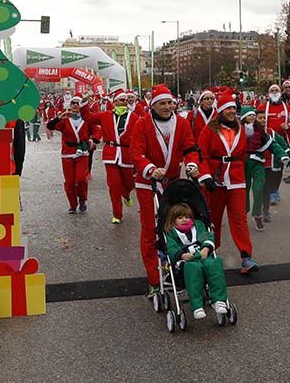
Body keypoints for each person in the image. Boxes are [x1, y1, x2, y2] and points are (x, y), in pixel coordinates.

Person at [129, 84, 203, 296]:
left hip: (172, 183)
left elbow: (190, 148)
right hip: (148, 184)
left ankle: (176, 268)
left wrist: (191, 163)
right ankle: (154, 280)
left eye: (170, 102)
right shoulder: (142, 124)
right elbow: (136, 152)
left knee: (175, 226)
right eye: (162, 103)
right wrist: (150, 169)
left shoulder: (181, 123)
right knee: (151, 230)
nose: (167, 106)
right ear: (153, 105)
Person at [197, 92, 259, 274]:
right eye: (228, 108)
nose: (232, 111)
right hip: (216, 180)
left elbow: (241, 155)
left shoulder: (240, 128)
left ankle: (246, 256)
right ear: (221, 110)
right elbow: (202, 155)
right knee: (213, 218)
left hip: (236, 180)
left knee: (239, 218)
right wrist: (205, 176)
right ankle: (210, 252)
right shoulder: (209, 130)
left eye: (234, 108)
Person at [163, 202, 229, 319]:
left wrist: (206, 248)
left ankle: (219, 300)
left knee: (215, 263)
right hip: (186, 262)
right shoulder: (171, 232)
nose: (184, 220)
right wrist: (182, 255)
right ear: (173, 220)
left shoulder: (198, 225)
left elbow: (207, 236)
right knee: (193, 268)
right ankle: (197, 306)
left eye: (187, 217)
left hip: (203, 256)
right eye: (180, 217)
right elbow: (171, 248)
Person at [46, 96, 99, 214]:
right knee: (69, 182)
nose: (75, 105)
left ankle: (82, 199)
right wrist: (58, 118)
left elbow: (96, 131)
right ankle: (72, 204)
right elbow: (50, 126)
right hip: (67, 153)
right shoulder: (65, 119)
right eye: (73, 103)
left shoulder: (87, 118)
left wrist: (93, 140)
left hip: (82, 152)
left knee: (81, 179)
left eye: (78, 103)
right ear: (70, 105)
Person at [96, 89, 139, 224]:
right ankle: (117, 214)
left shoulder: (134, 117)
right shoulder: (105, 115)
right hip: (111, 153)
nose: (124, 102)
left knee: (129, 183)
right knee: (114, 185)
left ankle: (126, 194)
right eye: (122, 100)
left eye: (126, 100)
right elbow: (88, 117)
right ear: (114, 102)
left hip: (126, 154)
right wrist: (84, 101)